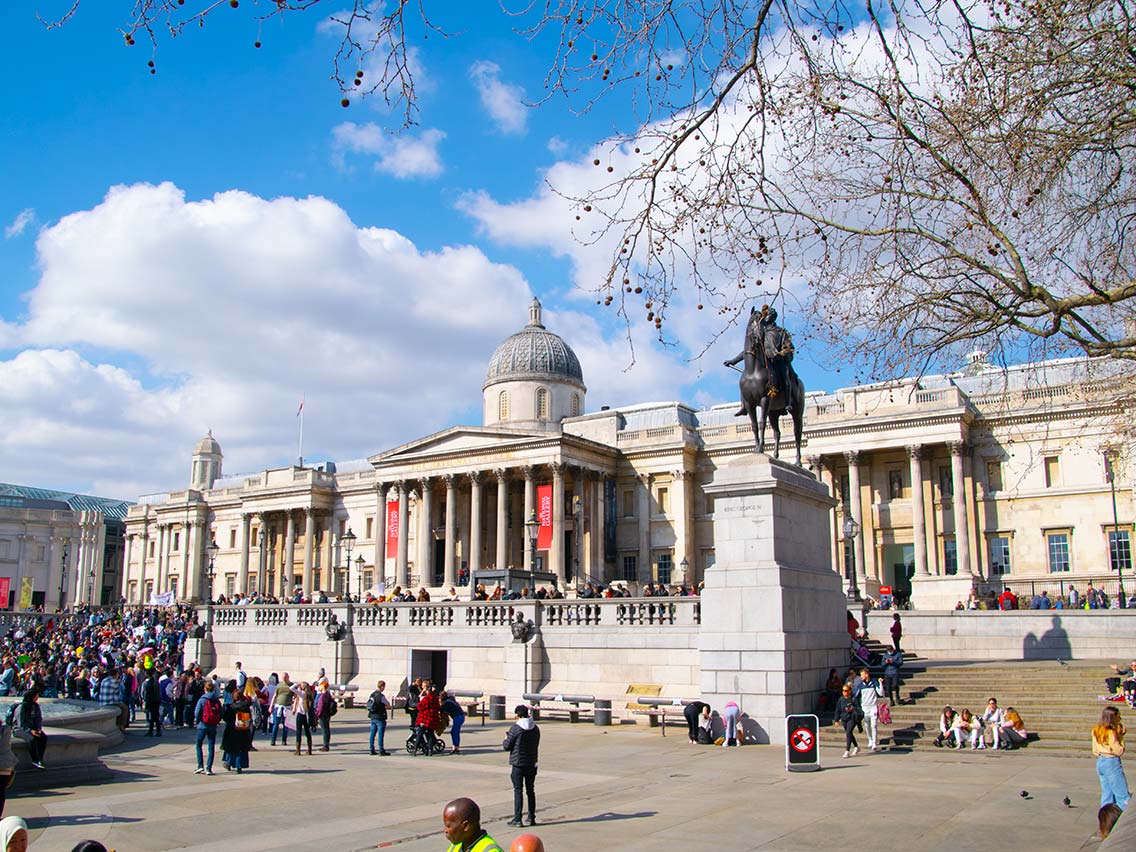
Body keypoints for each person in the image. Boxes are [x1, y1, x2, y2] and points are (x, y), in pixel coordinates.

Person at [504, 704, 541, 827]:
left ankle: (518, 818)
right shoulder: (535, 728)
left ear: (518, 715)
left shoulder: (516, 728)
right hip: (531, 763)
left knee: (518, 790)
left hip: (518, 763)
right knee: (530, 790)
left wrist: (506, 738)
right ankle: (531, 817)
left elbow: (506, 746)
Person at [1093, 705, 1131, 810]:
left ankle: (1105, 819)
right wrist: (1121, 736)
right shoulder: (1110, 732)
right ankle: (1125, 822)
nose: (1120, 719)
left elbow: (1094, 750)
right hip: (1111, 762)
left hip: (1101, 761)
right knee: (1122, 795)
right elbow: (1119, 751)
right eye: (1118, 717)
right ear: (1112, 718)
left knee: (1107, 795)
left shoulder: (1097, 729)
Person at [221, 679, 253, 773]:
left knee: (231, 748)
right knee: (241, 749)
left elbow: (226, 718)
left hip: (232, 730)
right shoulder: (246, 707)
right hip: (243, 730)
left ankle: (229, 763)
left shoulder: (232, 707)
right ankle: (240, 766)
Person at [193, 681, 221, 775]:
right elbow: (220, 712)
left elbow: (197, 712)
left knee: (198, 744)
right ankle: (209, 768)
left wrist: (198, 721)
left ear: (205, 689)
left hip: (202, 724)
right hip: (213, 725)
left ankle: (200, 765)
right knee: (211, 746)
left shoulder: (202, 699)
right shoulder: (216, 700)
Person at [854, 669, 884, 751]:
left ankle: (874, 742)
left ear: (867, 675)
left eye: (862, 675)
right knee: (866, 724)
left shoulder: (874, 683)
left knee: (873, 725)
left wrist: (880, 683)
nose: (861, 677)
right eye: (860, 675)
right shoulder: (860, 685)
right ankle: (870, 739)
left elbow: (881, 693)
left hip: (873, 707)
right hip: (864, 707)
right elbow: (855, 695)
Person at [19, 690, 46, 769]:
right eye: (36, 696)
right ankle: (34, 760)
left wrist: (38, 729)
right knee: (31, 740)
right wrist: (30, 731)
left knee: (43, 737)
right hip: (20, 729)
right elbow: (21, 723)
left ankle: (40, 759)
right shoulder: (22, 706)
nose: (38, 697)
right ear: (31, 697)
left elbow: (38, 719)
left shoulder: (36, 706)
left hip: (33, 729)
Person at [834, 684, 860, 758]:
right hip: (844, 718)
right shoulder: (841, 699)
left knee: (848, 732)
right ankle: (856, 746)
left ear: (850, 691)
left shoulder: (853, 699)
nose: (844, 692)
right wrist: (836, 720)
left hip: (852, 718)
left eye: (846, 690)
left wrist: (852, 709)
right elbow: (838, 710)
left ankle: (847, 750)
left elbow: (858, 708)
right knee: (849, 733)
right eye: (843, 691)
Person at [415, 681, 440, 754]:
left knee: (420, 734)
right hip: (432, 719)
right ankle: (430, 750)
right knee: (431, 735)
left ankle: (415, 749)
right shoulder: (435, 699)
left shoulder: (426, 699)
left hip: (424, 719)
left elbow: (419, 707)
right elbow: (438, 707)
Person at [367, 679, 391, 756]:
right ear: (382, 686)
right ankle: (381, 749)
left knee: (372, 733)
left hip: (372, 715)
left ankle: (371, 749)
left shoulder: (372, 694)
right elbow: (388, 704)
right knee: (380, 734)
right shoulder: (381, 696)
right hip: (380, 716)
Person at [291, 681, 315, 756]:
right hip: (307, 715)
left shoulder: (302, 693)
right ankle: (309, 750)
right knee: (307, 733)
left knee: (299, 732)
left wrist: (297, 684)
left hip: (300, 714)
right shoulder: (310, 694)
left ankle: (298, 750)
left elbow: (291, 688)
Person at [440, 690, 467, 754]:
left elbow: (440, 709)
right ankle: (455, 746)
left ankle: (456, 747)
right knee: (454, 732)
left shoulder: (446, 703)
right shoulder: (451, 699)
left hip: (458, 717)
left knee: (455, 732)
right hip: (461, 716)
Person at [270, 672, 293, 746]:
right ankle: (273, 740)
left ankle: (284, 740)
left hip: (287, 707)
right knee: (276, 724)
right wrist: (271, 706)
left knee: (286, 725)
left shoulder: (291, 686)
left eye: (285, 677)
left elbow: (296, 695)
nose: (284, 678)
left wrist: (294, 705)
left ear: (288, 677)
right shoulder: (279, 685)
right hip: (278, 706)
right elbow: (275, 695)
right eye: (283, 677)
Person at [315, 682, 337, 751]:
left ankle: (325, 745)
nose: (319, 687)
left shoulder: (323, 696)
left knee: (324, 730)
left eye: (320, 686)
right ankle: (326, 744)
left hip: (323, 715)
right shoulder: (328, 694)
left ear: (323, 687)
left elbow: (320, 707)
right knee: (327, 730)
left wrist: (317, 715)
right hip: (327, 714)